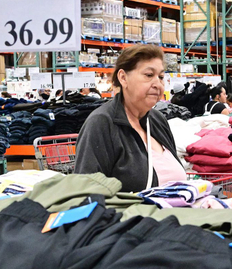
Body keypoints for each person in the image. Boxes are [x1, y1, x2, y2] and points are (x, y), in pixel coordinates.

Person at [74, 45, 183, 191]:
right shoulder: (101, 124)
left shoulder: (157, 120)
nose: (158, 84)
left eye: (161, 77)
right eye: (149, 75)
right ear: (123, 78)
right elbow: (86, 191)